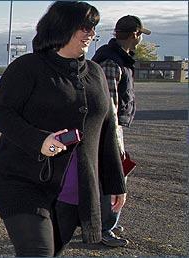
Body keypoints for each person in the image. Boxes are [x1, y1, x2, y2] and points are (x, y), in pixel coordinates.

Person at [0, 2, 128, 256]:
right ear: (62, 27)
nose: (91, 34)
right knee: (38, 252)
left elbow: (106, 128)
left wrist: (116, 182)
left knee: (52, 252)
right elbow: (2, 113)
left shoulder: (96, 73)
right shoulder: (27, 68)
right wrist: (39, 140)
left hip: (73, 190)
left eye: (94, 28)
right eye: (85, 27)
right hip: (22, 180)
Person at [91, 14, 151, 248]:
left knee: (107, 175)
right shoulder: (111, 62)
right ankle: (105, 227)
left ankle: (104, 223)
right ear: (135, 34)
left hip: (109, 127)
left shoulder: (118, 58)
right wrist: (114, 140)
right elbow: (108, 107)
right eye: (141, 34)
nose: (141, 39)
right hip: (107, 128)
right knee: (114, 174)